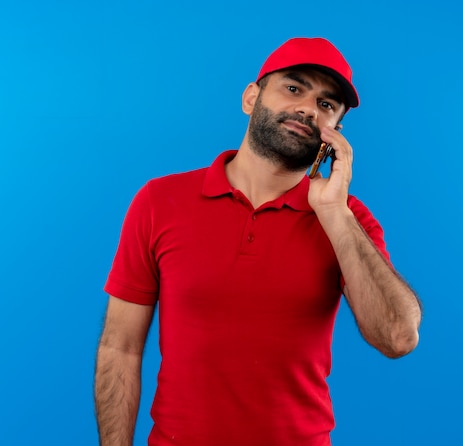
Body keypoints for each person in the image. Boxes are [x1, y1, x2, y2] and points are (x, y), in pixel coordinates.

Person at [95, 37, 422, 446]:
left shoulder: (349, 220)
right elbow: (120, 347)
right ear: (251, 97)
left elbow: (397, 337)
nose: (307, 108)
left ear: (334, 131)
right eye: (293, 88)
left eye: (326, 104)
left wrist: (334, 213)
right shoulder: (159, 201)